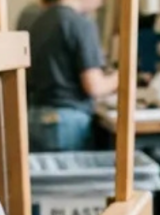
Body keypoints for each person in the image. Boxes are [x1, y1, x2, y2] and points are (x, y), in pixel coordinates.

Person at [26, 0, 118, 152]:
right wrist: (119, 78)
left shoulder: (36, 23)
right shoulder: (80, 24)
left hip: (35, 117)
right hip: (67, 122)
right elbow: (93, 86)